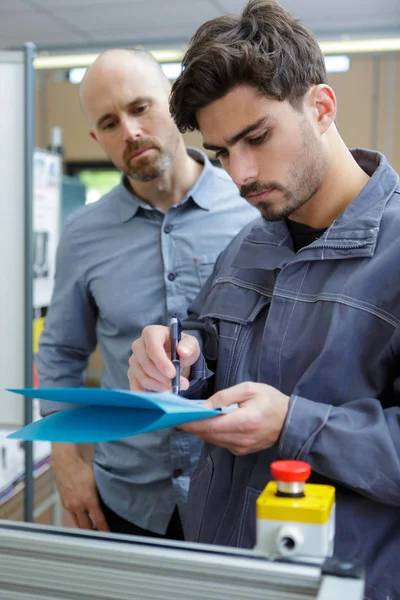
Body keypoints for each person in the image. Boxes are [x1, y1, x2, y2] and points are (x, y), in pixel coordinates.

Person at [127, 2, 400, 597]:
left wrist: (294, 424)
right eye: (223, 152)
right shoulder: (245, 246)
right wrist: (178, 361)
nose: (241, 174)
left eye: (257, 137)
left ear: (322, 107)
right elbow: (209, 361)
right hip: (217, 572)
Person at [37, 48, 257, 539]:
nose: (130, 131)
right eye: (110, 123)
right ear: (97, 139)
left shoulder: (252, 211)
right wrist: (67, 459)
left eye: (140, 108)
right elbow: (60, 352)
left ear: (174, 105)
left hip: (235, 490)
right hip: (127, 496)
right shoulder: (83, 233)